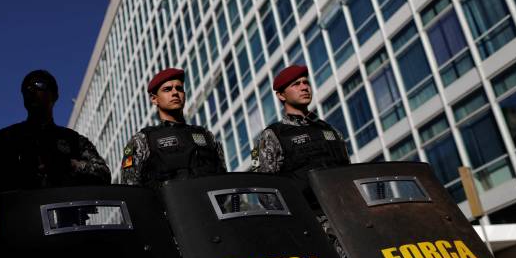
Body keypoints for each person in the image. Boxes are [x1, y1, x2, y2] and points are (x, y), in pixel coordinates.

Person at [0, 70, 110, 200]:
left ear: (55, 95)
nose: (31, 91)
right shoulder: (4, 140)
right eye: (26, 89)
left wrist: (68, 165)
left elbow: (103, 175)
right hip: (21, 219)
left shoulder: (73, 140)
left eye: (38, 85)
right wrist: (18, 173)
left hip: (69, 219)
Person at [250, 64, 349, 203]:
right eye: (296, 84)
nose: (304, 87)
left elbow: (349, 175)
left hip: (344, 214)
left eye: (306, 82)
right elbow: (265, 192)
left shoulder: (331, 131)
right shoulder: (271, 135)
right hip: (308, 218)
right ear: (281, 95)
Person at [120, 67, 226, 188]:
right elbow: (130, 187)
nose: (175, 92)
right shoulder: (142, 140)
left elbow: (224, 181)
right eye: (167, 89)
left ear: (184, 95)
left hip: (208, 206)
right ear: (154, 99)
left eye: (179, 88)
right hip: (167, 206)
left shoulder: (206, 136)